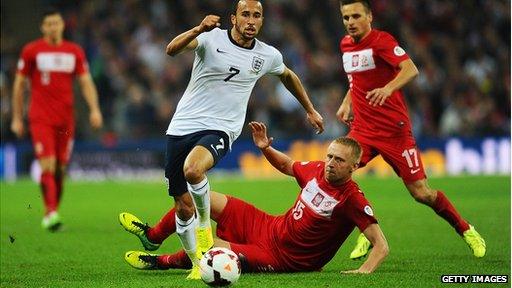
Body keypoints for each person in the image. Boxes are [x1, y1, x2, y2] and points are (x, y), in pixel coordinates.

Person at [118, 0, 324, 280]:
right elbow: (171, 49)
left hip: (222, 128)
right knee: (182, 204)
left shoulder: (267, 55)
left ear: (262, 21)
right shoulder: (210, 38)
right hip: (182, 125)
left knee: (193, 170)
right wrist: (197, 29)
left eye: (257, 16)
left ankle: (204, 229)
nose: (251, 20)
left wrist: (310, 109)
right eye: (246, 14)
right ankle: (195, 263)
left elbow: (288, 76)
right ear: (234, 18)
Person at [121, 121, 388, 274]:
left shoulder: (352, 199)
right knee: (199, 197)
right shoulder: (317, 170)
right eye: (329, 155)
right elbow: (287, 165)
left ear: (355, 166)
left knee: (211, 247)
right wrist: (266, 148)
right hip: (268, 226)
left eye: (339, 160)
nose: (330, 163)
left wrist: (363, 271)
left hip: (283, 256)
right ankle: (153, 236)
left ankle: (160, 262)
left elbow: (381, 245)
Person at [336, 0, 485, 259]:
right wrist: (347, 102)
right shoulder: (345, 45)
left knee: (422, 193)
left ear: (369, 16)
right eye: (346, 17)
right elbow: (356, 80)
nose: (350, 22)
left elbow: (411, 69)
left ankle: (465, 228)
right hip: (363, 129)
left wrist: (388, 88)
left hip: (395, 131)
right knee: (337, 175)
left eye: (356, 16)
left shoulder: (381, 41)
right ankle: (368, 233)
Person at [10, 8, 103, 231]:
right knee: (48, 164)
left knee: (60, 169)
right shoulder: (32, 51)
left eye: (57, 23)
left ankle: (53, 210)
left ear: (62, 25)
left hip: (66, 120)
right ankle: (50, 212)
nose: (53, 27)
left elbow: (85, 82)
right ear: (43, 27)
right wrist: (16, 117)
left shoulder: (74, 52)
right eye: (49, 24)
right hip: (40, 117)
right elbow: (19, 85)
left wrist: (94, 109)